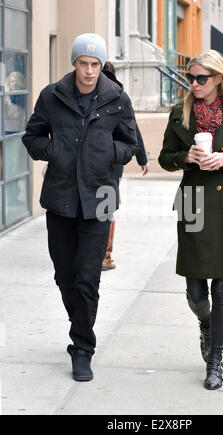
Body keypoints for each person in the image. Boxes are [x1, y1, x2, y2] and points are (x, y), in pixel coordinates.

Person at [22, 33, 140, 382]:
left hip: (100, 198)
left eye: (95, 64)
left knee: (88, 278)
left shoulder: (117, 99)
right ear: (74, 63)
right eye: (83, 63)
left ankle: (82, 348)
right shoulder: (52, 96)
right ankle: (81, 323)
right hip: (60, 197)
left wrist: (108, 154)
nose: (89, 71)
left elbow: (129, 143)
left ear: (102, 65)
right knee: (65, 276)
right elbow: (32, 137)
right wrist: (54, 151)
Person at [158, 50, 223, 391]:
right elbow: (164, 158)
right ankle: (205, 323)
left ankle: (214, 361)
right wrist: (185, 157)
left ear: (218, 79)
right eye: (191, 78)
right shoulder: (179, 113)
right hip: (193, 203)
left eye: (202, 78)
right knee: (195, 288)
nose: (195, 84)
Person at [101, 62, 150, 271]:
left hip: (101, 159)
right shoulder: (120, 95)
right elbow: (133, 129)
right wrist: (142, 158)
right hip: (114, 161)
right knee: (107, 206)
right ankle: (105, 255)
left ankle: (99, 254)